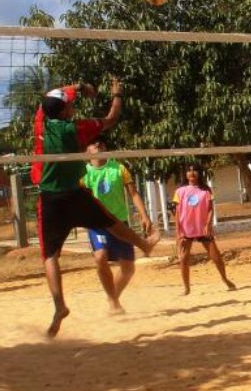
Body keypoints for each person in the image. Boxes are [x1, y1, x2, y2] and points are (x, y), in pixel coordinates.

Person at [35, 77, 159, 337]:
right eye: (70, 104)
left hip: (50, 198)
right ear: (65, 110)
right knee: (111, 222)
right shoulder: (76, 129)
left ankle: (59, 305)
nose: (73, 106)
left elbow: (50, 97)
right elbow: (111, 119)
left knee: (49, 255)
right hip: (74, 194)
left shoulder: (40, 121)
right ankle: (144, 245)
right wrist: (117, 94)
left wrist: (78, 89)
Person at [82, 137, 152, 314]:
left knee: (128, 269)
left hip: (120, 223)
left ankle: (112, 297)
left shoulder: (119, 168)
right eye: (94, 142)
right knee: (100, 257)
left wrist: (144, 215)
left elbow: (133, 194)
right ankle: (113, 303)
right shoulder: (83, 173)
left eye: (101, 142)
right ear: (86, 152)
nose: (98, 144)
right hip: (97, 224)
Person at [173, 163, 235, 296]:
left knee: (216, 257)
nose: (192, 173)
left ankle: (225, 279)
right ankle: (186, 288)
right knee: (183, 258)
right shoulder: (179, 191)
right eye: (189, 171)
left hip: (202, 228)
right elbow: (177, 213)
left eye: (195, 170)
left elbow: (210, 209)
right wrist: (179, 232)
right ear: (185, 174)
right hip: (186, 229)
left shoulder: (206, 190)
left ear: (199, 173)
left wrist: (208, 224)